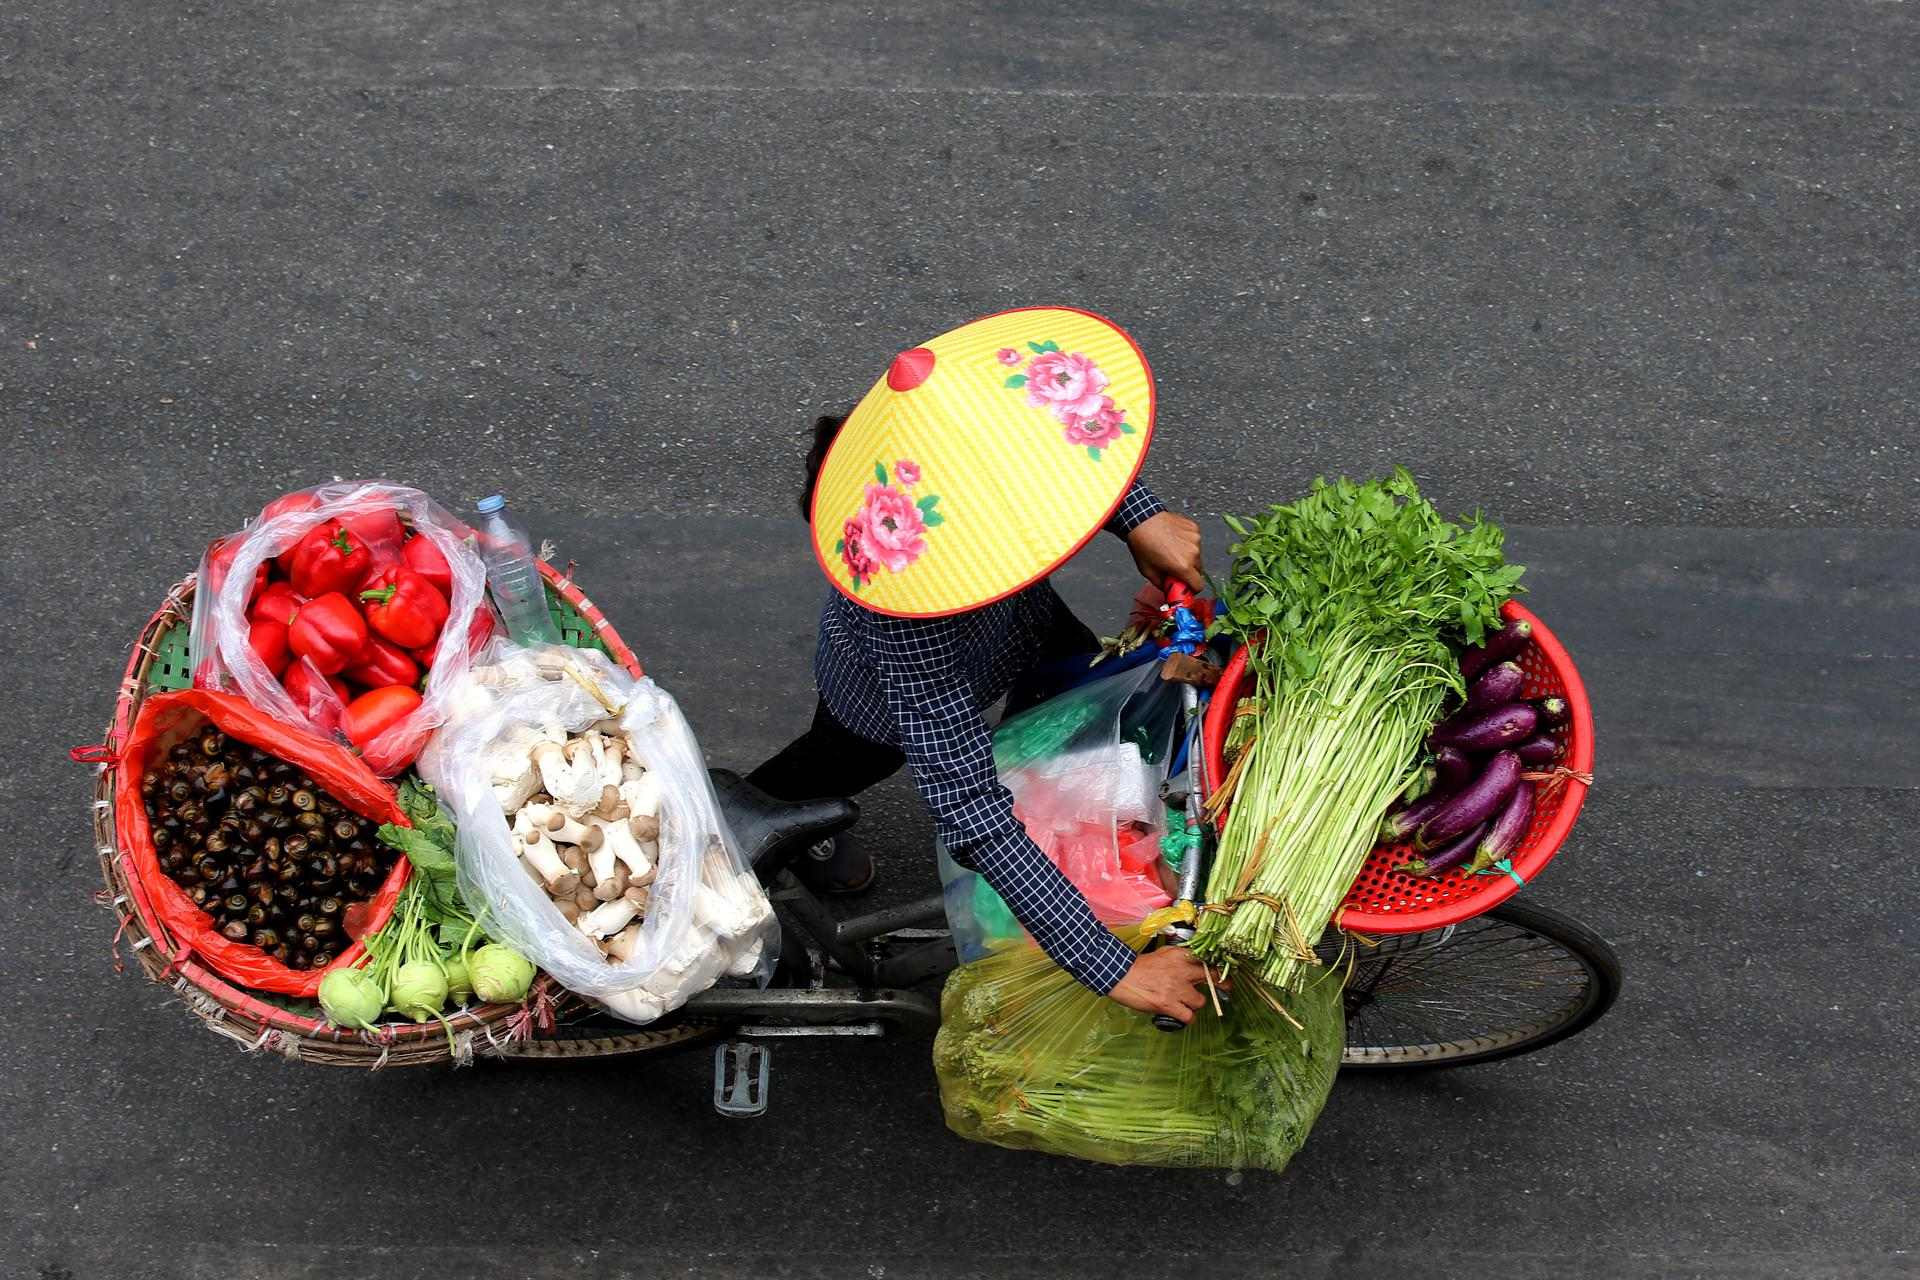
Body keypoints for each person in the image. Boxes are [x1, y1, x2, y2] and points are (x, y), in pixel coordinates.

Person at [747, 307, 1217, 1026]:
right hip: (873, 706)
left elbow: (1066, 452)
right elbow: (969, 810)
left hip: (1027, 630)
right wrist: (1113, 967)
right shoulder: (905, 620)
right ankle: (756, 838)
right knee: (819, 778)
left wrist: (1138, 517)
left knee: (1073, 718)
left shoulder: (986, 457)